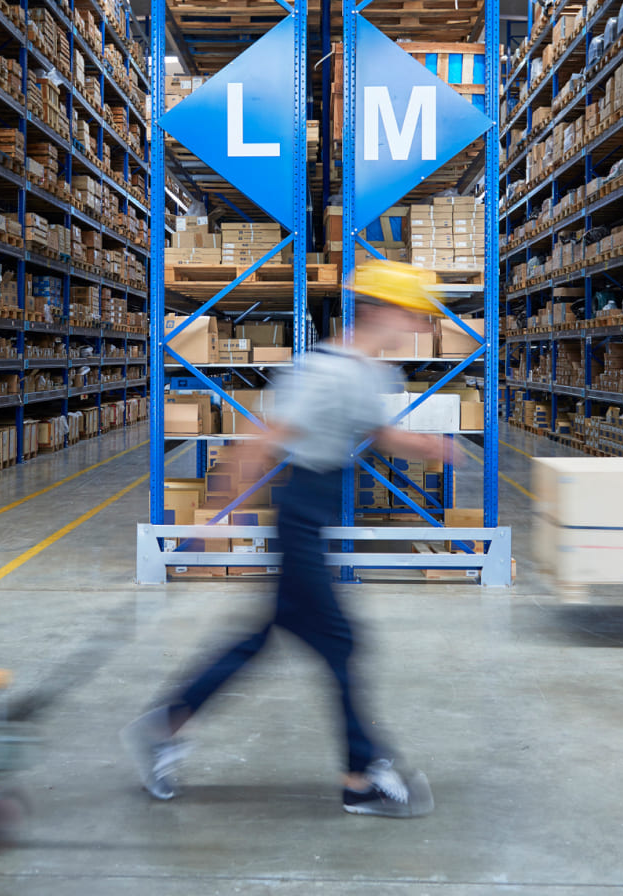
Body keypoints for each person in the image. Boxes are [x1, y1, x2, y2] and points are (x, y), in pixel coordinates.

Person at [123, 260, 449, 819]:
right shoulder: (328, 370)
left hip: (313, 516)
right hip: (299, 516)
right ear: (377, 311)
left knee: (262, 640)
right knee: (341, 643)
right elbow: (266, 436)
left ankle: (165, 724)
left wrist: (427, 447)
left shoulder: (372, 371)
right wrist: (220, 509)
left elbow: (378, 433)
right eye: (410, 313)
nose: (418, 326)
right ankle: (361, 776)